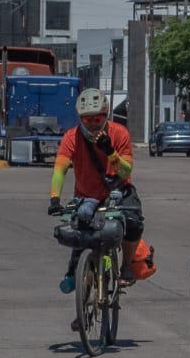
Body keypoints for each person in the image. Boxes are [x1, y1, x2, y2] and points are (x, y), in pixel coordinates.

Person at [49, 88, 144, 302]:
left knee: (134, 221)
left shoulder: (119, 134)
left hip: (118, 191)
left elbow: (126, 171)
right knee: (79, 232)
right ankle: (78, 287)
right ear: (80, 118)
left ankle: (127, 266)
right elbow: (60, 168)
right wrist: (55, 197)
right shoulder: (71, 137)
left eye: (98, 118)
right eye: (87, 119)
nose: (93, 123)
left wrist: (110, 152)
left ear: (106, 116)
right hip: (86, 195)